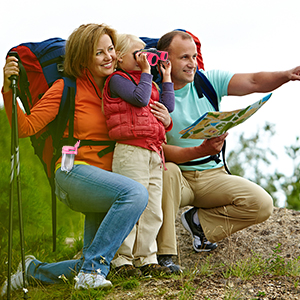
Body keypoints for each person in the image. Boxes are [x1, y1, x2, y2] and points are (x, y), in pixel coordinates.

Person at [1, 23, 149, 295]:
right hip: (72, 171)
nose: (108, 57)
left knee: (90, 258)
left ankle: (32, 271)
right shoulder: (66, 87)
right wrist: (8, 92)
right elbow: (25, 128)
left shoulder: (121, 86)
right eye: (98, 53)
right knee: (136, 194)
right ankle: (93, 273)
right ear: (82, 59)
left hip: (107, 180)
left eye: (111, 49)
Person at [155, 30, 300, 273]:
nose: (192, 64)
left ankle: (198, 224)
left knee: (262, 203)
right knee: (167, 170)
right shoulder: (154, 95)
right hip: (178, 177)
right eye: (184, 58)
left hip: (213, 176)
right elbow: (160, 151)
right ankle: (165, 255)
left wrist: (286, 75)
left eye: (193, 56)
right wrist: (200, 150)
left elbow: (253, 81)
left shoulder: (207, 82)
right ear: (164, 60)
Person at [102, 34, 174, 277]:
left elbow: (167, 107)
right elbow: (139, 98)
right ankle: (122, 258)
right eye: (137, 54)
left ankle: (146, 256)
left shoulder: (149, 83)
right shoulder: (117, 80)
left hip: (154, 151)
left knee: (153, 208)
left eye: (145, 54)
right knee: (131, 206)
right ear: (119, 58)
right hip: (130, 150)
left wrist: (165, 79)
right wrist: (146, 72)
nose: (144, 58)